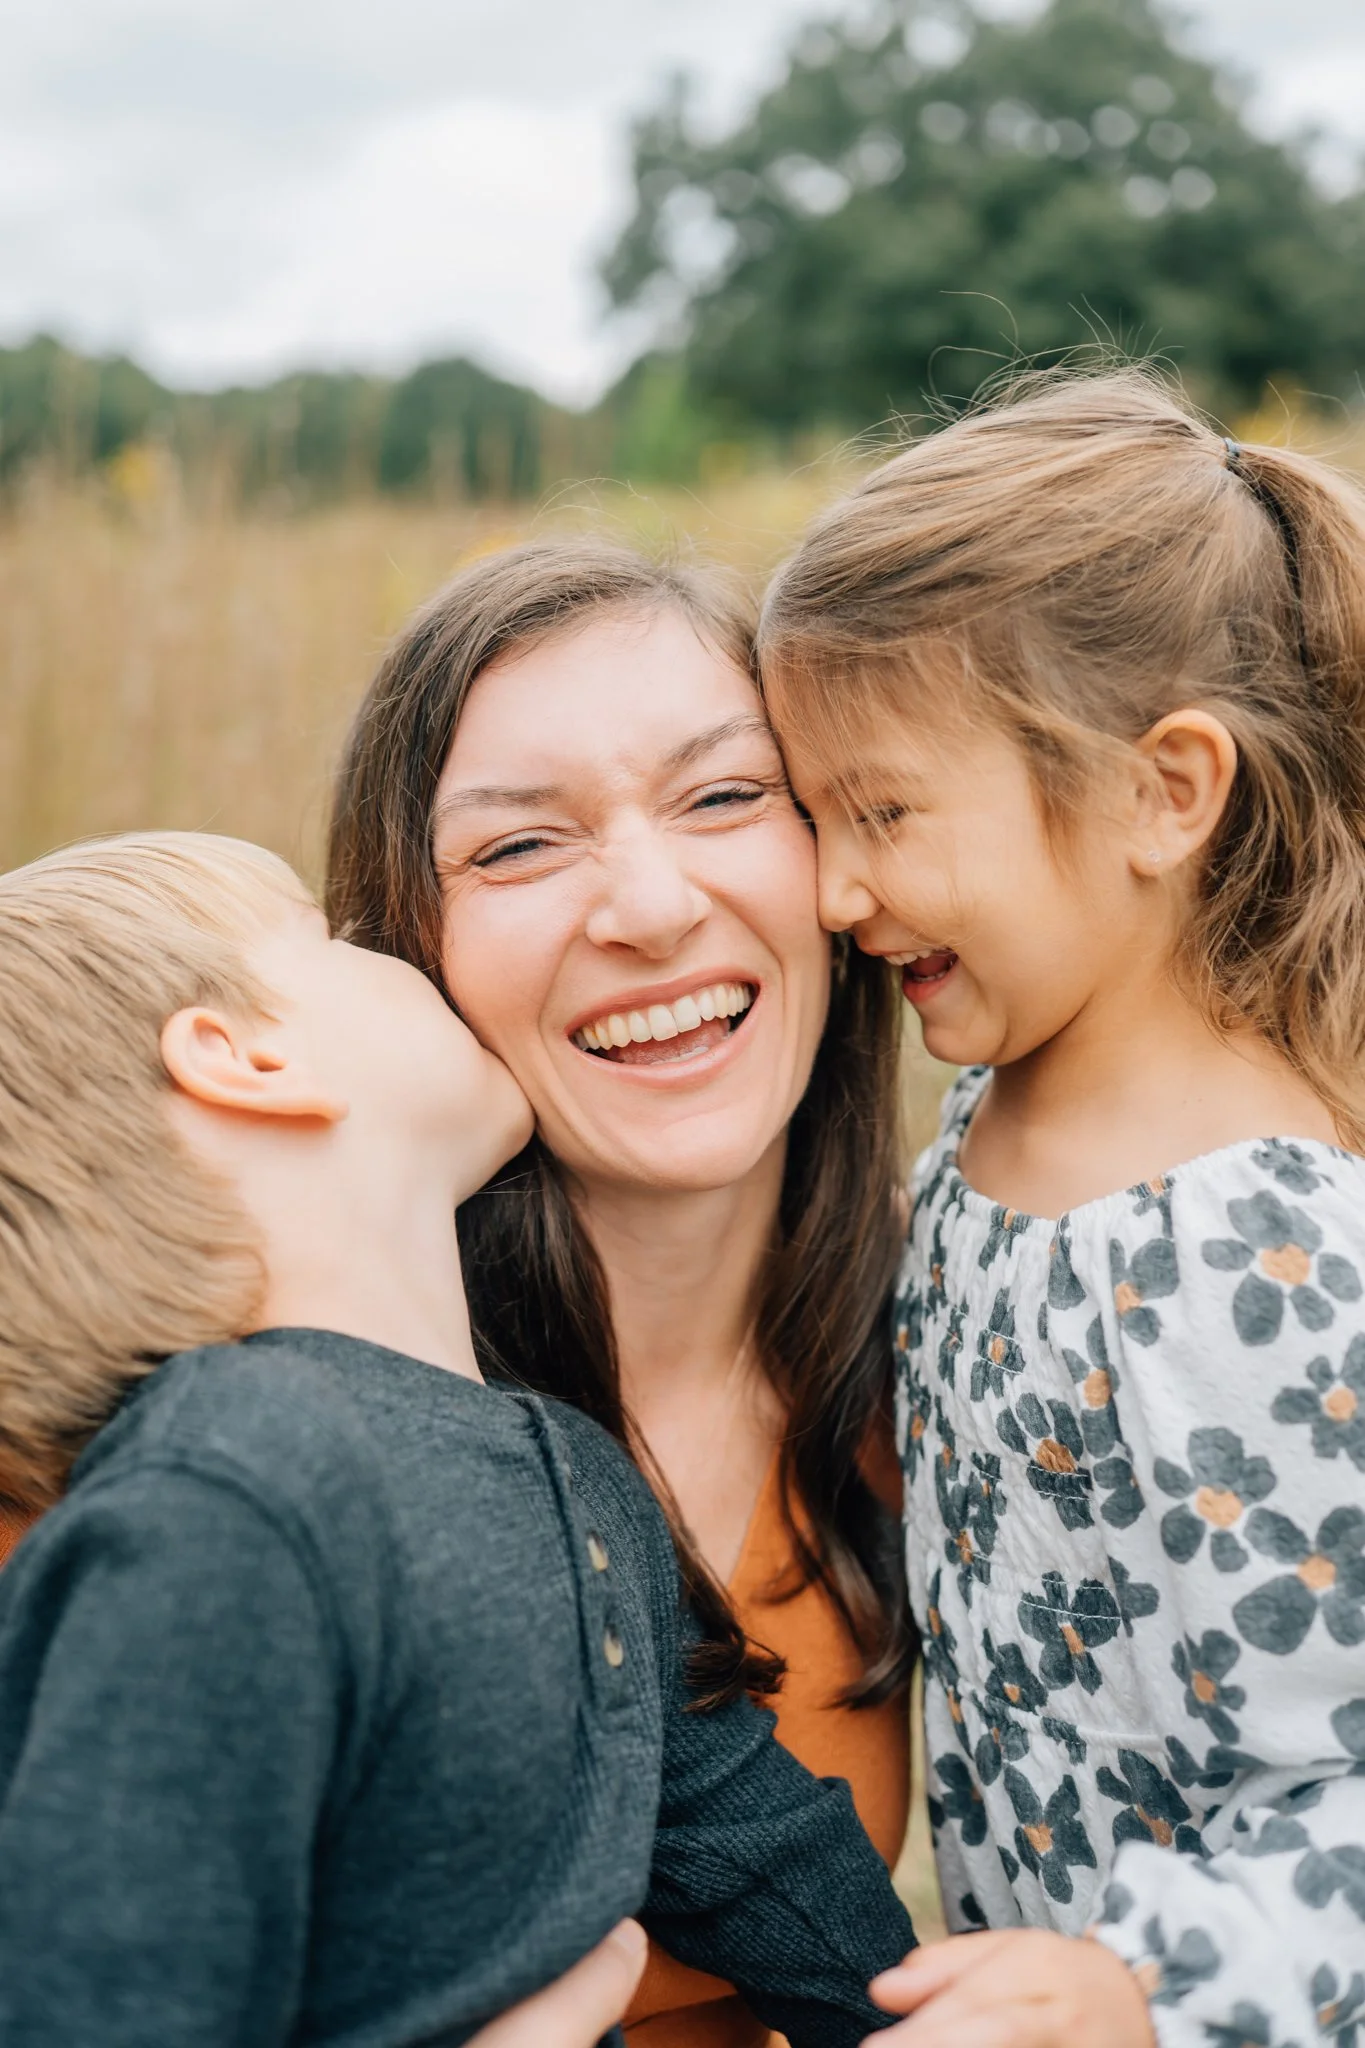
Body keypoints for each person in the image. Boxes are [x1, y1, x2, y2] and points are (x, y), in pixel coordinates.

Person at [0, 831, 921, 2045]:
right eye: (331, 945)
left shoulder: (568, 1469)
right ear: (245, 1059)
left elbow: (745, 1837)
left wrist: (921, 2007)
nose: (402, 964)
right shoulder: (227, 1493)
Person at [757, 369, 1365, 2048]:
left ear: (1165, 792)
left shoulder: (1264, 1257)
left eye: (884, 810)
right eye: (816, 814)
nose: (830, 889)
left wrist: (1146, 1990)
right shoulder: (982, 1127)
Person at [327, 542, 917, 2047]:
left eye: (724, 797)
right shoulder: (254, 1441)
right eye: (519, 848)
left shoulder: (955, 1352)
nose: (650, 908)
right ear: (404, 947)